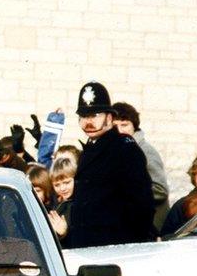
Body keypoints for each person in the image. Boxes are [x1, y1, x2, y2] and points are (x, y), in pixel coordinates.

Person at [66, 81, 154, 248]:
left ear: (110, 117)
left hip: (113, 249)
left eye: (95, 115)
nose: (88, 122)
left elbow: (142, 206)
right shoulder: (91, 148)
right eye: (84, 116)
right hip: (87, 247)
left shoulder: (124, 148)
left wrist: (129, 248)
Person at [111, 102, 170, 232]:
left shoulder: (146, 151)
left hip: (151, 225)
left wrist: (122, 192)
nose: (119, 130)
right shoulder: (117, 150)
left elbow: (161, 190)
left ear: (134, 126)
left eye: (124, 124)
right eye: (115, 125)